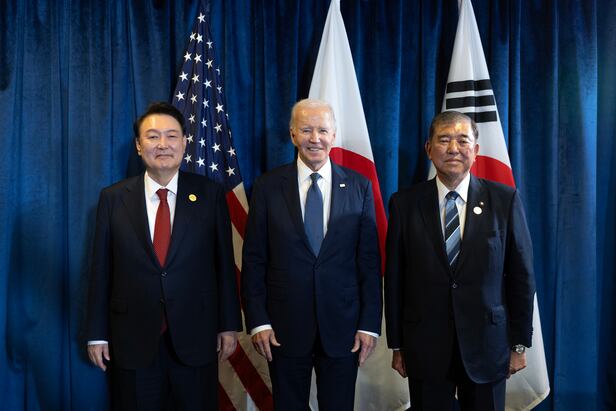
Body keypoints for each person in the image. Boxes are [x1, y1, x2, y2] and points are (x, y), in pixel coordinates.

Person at [85, 102, 242, 410]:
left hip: (196, 336)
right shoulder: (113, 198)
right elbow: (101, 270)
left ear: (184, 142)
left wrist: (228, 324)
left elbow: (224, 265)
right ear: (138, 145)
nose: (162, 144)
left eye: (171, 136)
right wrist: (96, 335)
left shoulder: (209, 194)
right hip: (132, 339)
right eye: (153, 136)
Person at [385, 111, 536, 411]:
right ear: (429, 149)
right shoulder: (404, 204)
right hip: (425, 346)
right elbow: (395, 279)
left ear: (475, 150)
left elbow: (521, 276)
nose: (453, 148)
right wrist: (397, 344)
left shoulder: (504, 200)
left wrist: (519, 343)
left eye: (462, 140)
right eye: (444, 140)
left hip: (487, 344)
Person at [241, 98, 382, 410]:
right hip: (283, 328)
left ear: (333, 135)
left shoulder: (359, 186)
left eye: (322, 130)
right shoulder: (267, 187)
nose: (314, 138)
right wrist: (258, 321)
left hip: (343, 328)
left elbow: (369, 263)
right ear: (293, 135)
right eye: (306, 130)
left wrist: (369, 324)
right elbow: (254, 260)